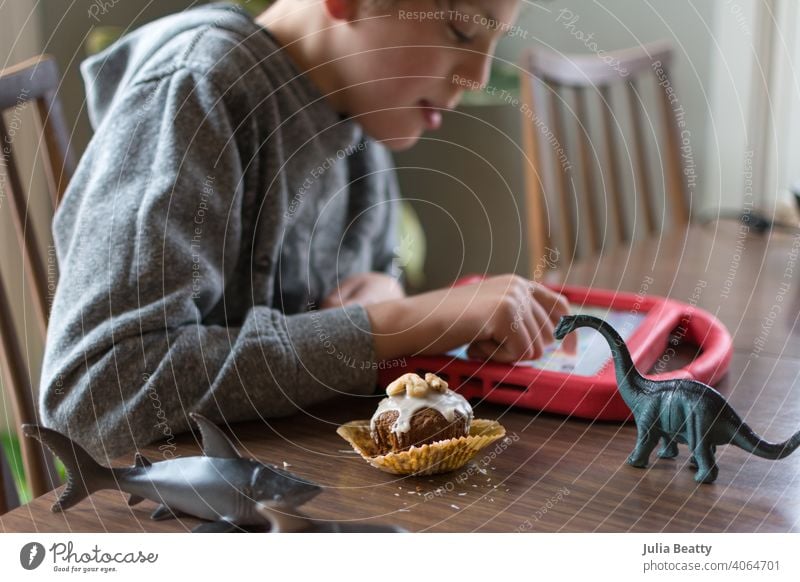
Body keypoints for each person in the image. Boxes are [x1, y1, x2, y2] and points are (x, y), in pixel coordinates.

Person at [41, 0, 573, 460]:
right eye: (461, 29)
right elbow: (97, 394)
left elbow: (362, 288)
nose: (478, 77)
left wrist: (382, 295)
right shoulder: (197, 90)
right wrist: (399, 322)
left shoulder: (361, 107)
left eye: (494, 39)